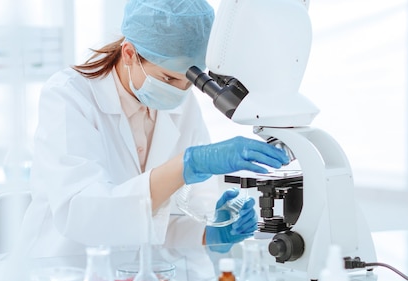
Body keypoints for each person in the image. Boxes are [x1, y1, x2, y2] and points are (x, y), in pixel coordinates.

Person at [21, 0, 289, 259]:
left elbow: (163, 221)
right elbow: (83, 214)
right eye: (168, 78)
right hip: (63, 272)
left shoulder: (182, 105)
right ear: (129, 54)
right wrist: (185, 166)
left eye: (188, 82)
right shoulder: (69, 97)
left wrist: (210, 232)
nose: (178, 91)